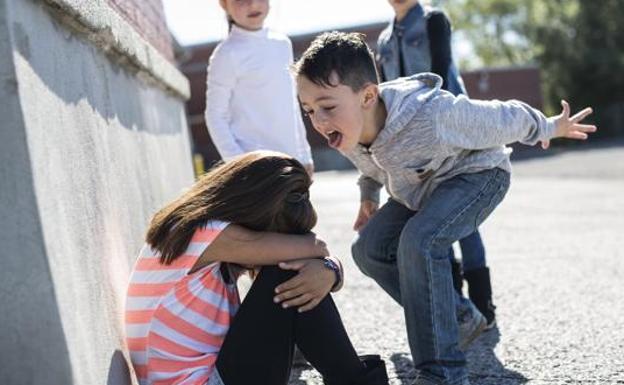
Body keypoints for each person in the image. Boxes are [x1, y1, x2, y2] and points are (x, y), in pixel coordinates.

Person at [293, 32, 596, 385]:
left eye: (327, 107)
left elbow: (501, 117)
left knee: (419, 241)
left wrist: (548, 126)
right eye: (309, 110)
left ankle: (443, 372)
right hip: (421, 189)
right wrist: (368, 198)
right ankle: (458, 316)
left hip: (479, 176)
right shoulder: (347, 128)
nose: (318, 121)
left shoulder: (431, 114)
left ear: (368, 96)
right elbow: (371, 166)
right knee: (368, 250)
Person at [125, 151, 389, 385]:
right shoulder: (205, 234)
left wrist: (330, 271)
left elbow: (318, 254)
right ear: (253, 213)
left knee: (294, 272)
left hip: (212, 375)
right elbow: (316, 246)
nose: (273, 250)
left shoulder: (197, 234)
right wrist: (327, 267)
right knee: (288, 272)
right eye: (277, 237)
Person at [377, 0, 496, 328]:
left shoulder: (434, 20)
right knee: (433, 217)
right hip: (409, 144)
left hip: (450, 130)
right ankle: (456, 303)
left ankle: (483, 303)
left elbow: (442, 74)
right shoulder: (384, 41)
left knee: (462, 217)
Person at [205, 0, 314, 175]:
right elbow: (215, 115)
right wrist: (240, 165)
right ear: (224, 5)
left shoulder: (282, 44)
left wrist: (305, 155)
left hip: (292, 163)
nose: (253, 4)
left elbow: (291, 105)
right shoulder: (226, 54)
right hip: (257, 170)